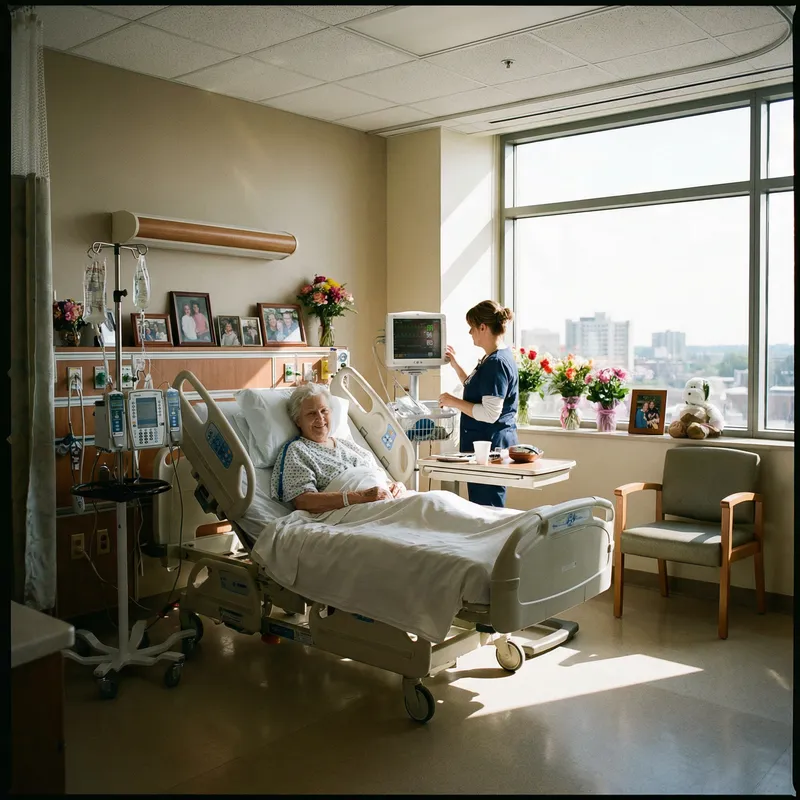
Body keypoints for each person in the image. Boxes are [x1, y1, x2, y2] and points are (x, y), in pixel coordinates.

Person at [271, 383, 407, 512]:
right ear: (298, 420)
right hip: (354, 511)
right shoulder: (297, 450)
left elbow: (379, 480)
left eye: (324, 411)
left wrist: (396, 487)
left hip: (386, 501)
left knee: (426, 504)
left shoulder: (348, 445)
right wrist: (361, 497)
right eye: (311, 413)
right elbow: (304, 501)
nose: (320, 418)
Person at [438, 300, 519, 507]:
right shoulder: (493, 358)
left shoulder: (496, 363)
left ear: (483, 327)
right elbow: (475, 388)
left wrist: (453, 401)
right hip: (487, 446)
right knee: (483, 505)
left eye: (472, 327)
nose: (470, 332)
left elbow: (490, 413)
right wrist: (455, 364)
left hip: (489, 446)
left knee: (487, 508)